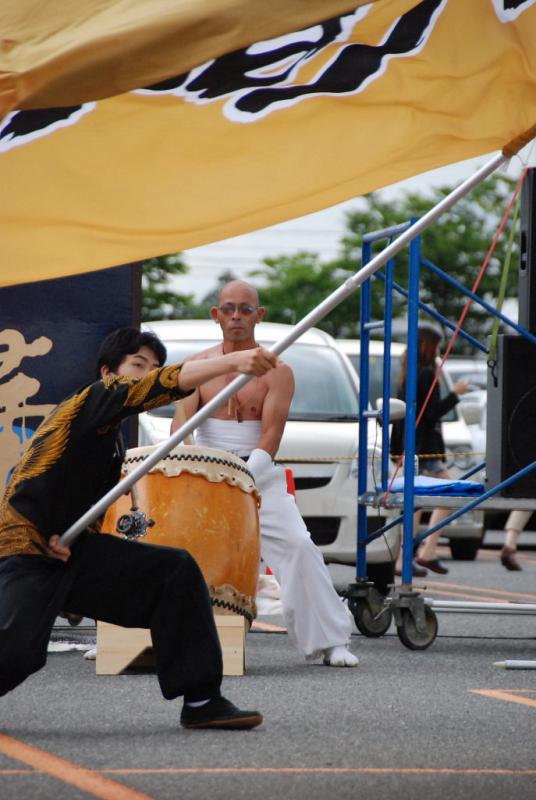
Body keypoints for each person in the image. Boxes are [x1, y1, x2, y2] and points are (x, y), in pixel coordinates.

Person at [0, 327, 279, 729]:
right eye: (137, 366)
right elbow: (26, 487)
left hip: (68, 552)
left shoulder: (109, 438)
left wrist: (68, 543)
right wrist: (235, 361)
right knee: (16, 653)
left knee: (173, 571)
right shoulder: (92, 400)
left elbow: (81, 505)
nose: (145, 374)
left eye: (152, 367)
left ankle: (202, 700)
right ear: (108, 373)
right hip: (26, 549)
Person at [171, 280, 357, 668]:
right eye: (228, 309)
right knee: (171, 550)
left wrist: (245, 473)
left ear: (259, 315)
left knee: (299, 546)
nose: (236, 316)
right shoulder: (198, 366)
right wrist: (191, 463)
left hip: (257, 471)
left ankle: (330, 640)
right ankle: (135, 635)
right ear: (216, 315)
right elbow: (181, 424)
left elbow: (271, 433)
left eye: (244, 309)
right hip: (206, 471)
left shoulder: (278, 370)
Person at [390, 325, 469, 576]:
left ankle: (412, 556)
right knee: (446, 497)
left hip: (415, 446)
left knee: (416, 504)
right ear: (428, 346)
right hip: (426, 449)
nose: (439, 350)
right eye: (437, 345)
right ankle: (425, 552)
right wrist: (455, 395)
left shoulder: (408, 372)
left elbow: (403, 414)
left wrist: (397, 447)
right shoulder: (426, 374)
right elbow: (432, 412)